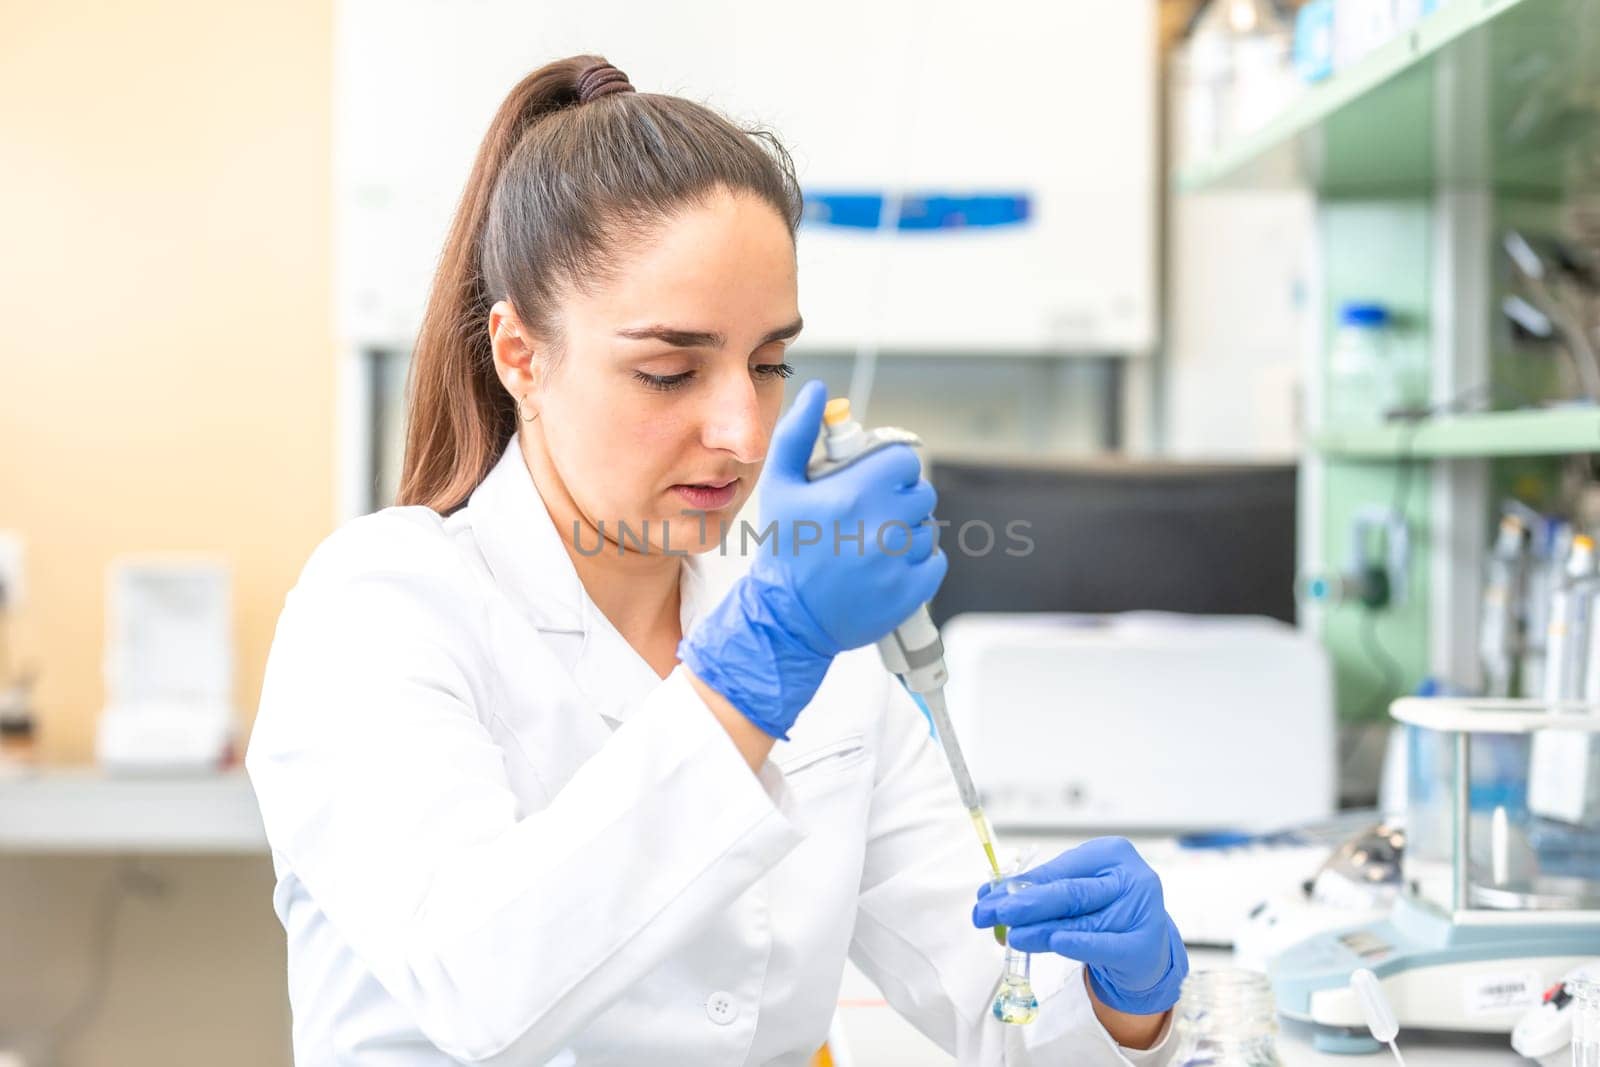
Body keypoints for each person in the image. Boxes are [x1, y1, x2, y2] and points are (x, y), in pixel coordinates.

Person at [246, 54, 1188, 1066]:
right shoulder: (381, 609)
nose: (742, 429)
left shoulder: (802, 637)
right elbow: (482, 984)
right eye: (668, 371)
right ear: (519, 354)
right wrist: (753, 669)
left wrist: (1119, 995)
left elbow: (995, 998)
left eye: (768, 362)